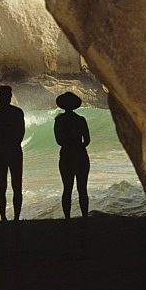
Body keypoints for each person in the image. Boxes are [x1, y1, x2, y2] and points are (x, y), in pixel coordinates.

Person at [0, 85, 25, 221]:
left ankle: (3, 218)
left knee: (1, 185)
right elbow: (21, 133)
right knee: (17, 185)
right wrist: (13, 144)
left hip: (0, 151)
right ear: (10, 96)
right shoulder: (18, 112)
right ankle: (16, 218)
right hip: (15, 150)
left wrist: (1, 145)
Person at [54, 91, 91, 219]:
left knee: (67, 188)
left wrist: (69, 145)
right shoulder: (80, 120)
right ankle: (85, 216)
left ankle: (67, 218)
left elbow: (58, 141)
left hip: (66, 155)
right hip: (81, 154)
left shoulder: (59, 120)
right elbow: (86, 140)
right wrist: (77, 146)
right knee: (82, 189)